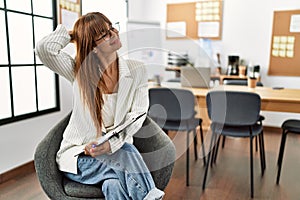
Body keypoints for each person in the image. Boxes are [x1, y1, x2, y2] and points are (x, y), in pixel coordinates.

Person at [35, 12, 164, 200]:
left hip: (118, 155)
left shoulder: (137, 70)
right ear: (93, 46)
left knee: (114, 183)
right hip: (81, 160)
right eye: (104, 34)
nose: (114, 33)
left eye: (112, 27)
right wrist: (74, 35)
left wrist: (111, 144)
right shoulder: (78, 71)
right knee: (126, 153)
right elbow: (44, 49)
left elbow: (138, 114)